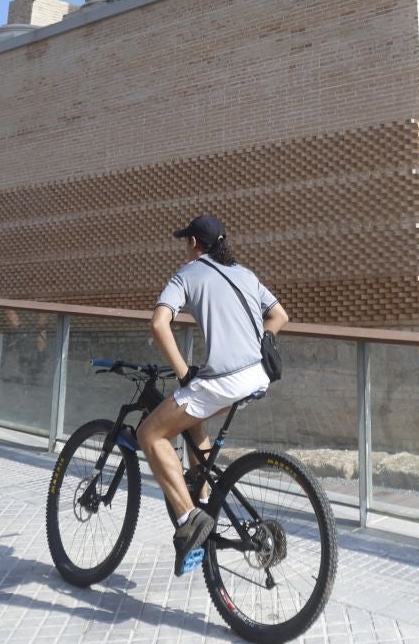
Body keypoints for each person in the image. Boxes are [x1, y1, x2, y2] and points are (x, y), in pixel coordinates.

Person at [138, 214, 288, 577]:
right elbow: (279, 315)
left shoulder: (187, 274)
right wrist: (264, 338)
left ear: (193, 243)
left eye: (184, 241)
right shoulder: (244, 273)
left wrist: (184, 373)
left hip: (222, 380)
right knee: (192, 414)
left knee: (150, 433)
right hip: (258, 375)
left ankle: (190, 519)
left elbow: (159, 324)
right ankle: (204, 498)